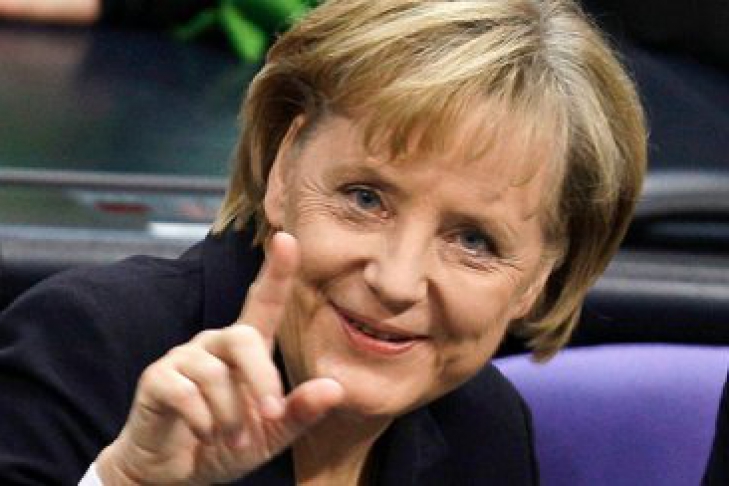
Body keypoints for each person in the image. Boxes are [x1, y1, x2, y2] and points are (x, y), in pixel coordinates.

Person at [0, 0, 647, 484]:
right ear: (284, 168)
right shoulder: (94, 345)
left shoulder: (483, 429)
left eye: (474, 240)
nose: (395, 281)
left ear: (541, 276)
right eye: (365, 198)